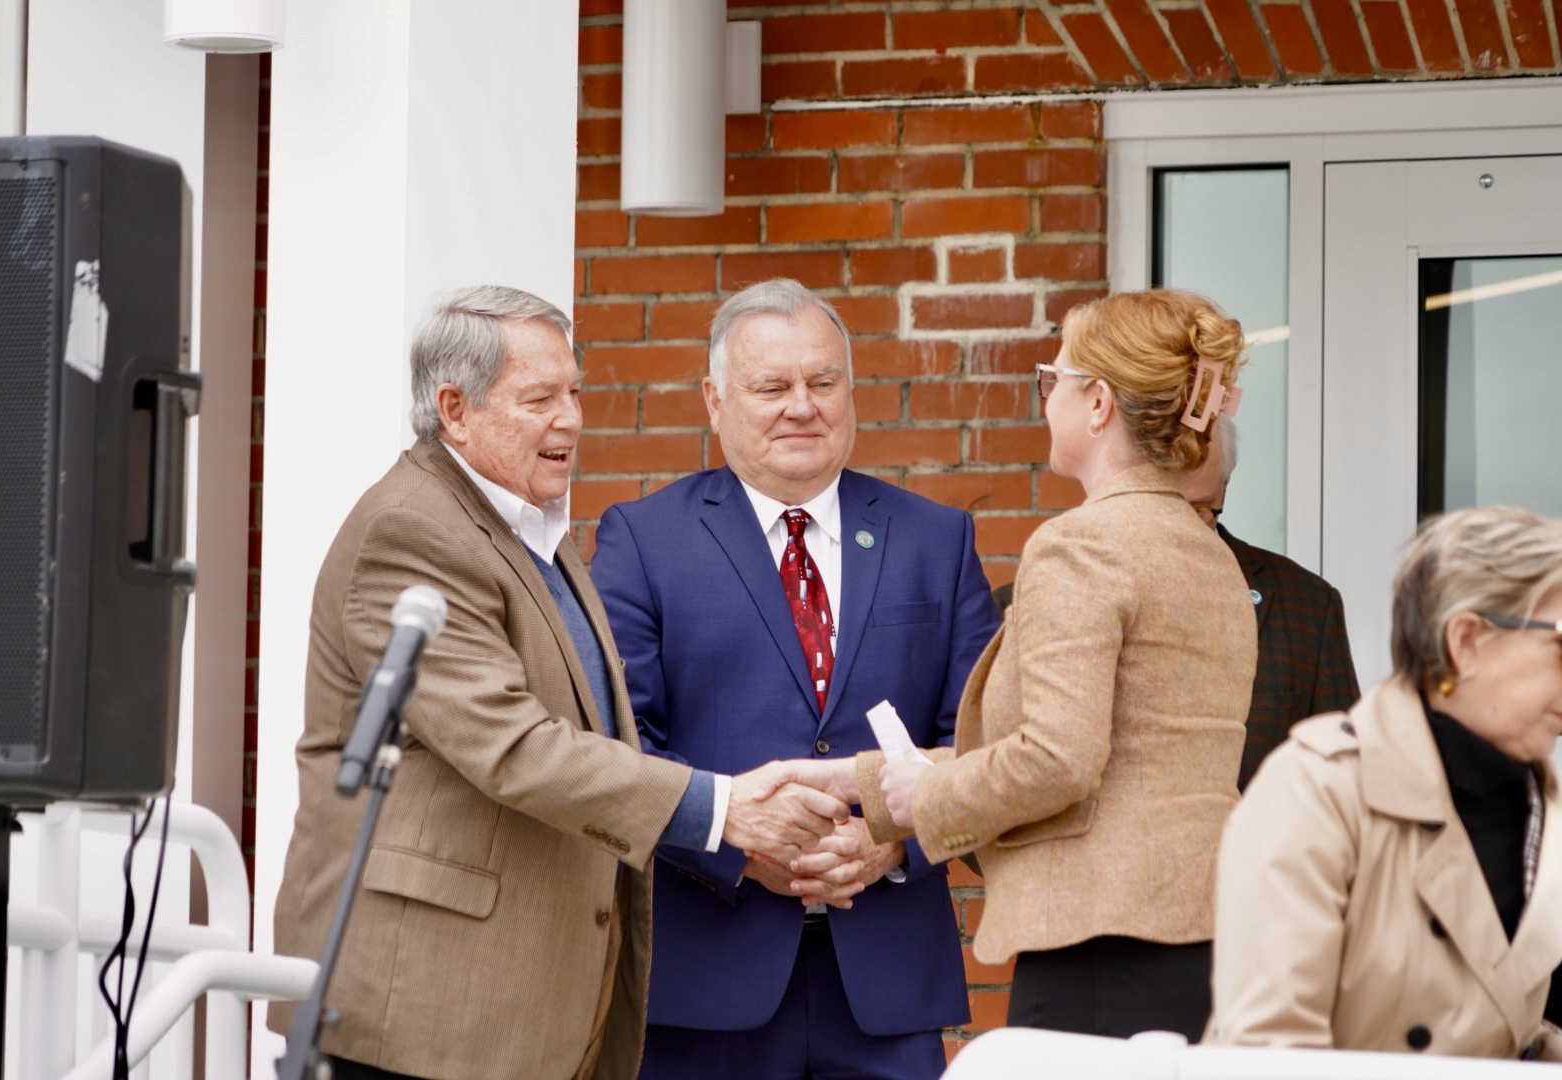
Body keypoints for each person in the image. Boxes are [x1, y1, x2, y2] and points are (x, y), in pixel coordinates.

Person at [268, 286, 849, 1080]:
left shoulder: (533, 531)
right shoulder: (409, 531)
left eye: (574, 393)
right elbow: (512, 745)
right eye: (540, 400)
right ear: (454, 409)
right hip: (419, 1011)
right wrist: (723, 809)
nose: (571, 419)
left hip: (515, 1010)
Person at [591, 278, 999, 1080]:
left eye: (823, 382)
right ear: (715, 401)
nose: (802, 407)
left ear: (852, 391)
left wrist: (894, 840)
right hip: (706, 983)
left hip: (885, 987)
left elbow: (983, 744)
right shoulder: (643, 540)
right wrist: (739, 843)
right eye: (771, 387)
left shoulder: (937, 539)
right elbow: (618, 743)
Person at [837, 288, 1259, 1042]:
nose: (1045, 397)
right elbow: (1137, 750)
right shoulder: (1208, 553)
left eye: (1052, 379)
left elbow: (1059, 758)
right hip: (1203, 934)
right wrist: (858, 782)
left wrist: (930, 794)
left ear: (1098, 404)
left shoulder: (1081, 544)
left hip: (1097, 939)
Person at [1208, 505, 1562, 1059]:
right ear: (1466, 642)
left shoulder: (1544, 808)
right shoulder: (1315, 791)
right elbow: (1269, 1053)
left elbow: (1500, 1024)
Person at [1177, 415, 1360, 788]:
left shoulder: (1307, 604)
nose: (1176, 528)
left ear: (1224, 487)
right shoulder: (1090, 587)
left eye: (1198, 511)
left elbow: (1344, 777)